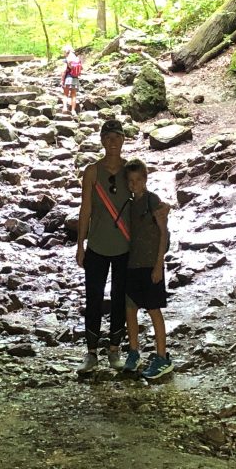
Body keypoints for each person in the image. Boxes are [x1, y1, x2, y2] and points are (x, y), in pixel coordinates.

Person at [75, 118, 131, 374]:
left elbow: (139, 205)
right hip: (97, 244)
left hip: (125, 245)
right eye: (107, 138)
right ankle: (91, 352)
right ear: (101, 141)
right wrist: (80, 244)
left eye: (116, 138)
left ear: (122, 140)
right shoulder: (92, 172)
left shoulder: (131, 170)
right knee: (94, 297)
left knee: (121, 297)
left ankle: (115, 349)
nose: (112, 143)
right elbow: (85, 209)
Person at [119, 158, 174, 380]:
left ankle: (162, 357)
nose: (134, 185)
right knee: (130, 308)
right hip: (132, 264)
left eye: (138, 180)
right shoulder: (130, 205)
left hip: (151, 264)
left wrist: (159, 265)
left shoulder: (153, 202)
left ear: (145, 180)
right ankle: (134, 352)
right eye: (130, 181)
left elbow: (164, 234)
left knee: (153, 310)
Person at [61, 45, 81, 114]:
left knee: (65, 94)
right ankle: (73, 110)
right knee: (74, 95)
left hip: (68, 78)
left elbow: (63, 71)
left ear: (65, 52)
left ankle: (65, 108)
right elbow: (81, 68)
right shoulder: (77, 59)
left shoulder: (66, 59)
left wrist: (62, 80)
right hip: (75, 78)